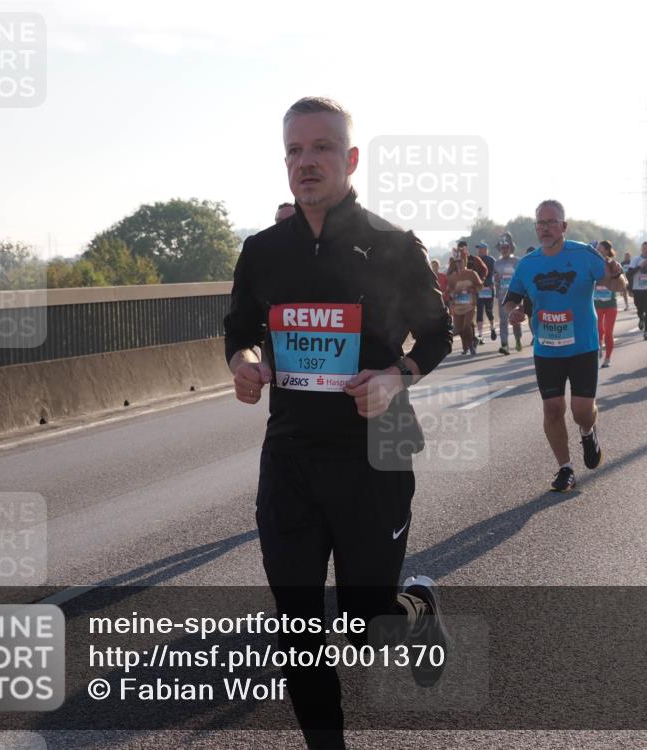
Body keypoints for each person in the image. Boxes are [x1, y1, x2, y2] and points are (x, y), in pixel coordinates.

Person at [224, 97, 452, 750]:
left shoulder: (393, 244)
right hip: (291, 455)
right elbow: (240, 330)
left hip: (375, 450)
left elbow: (437, 335)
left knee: (363, 623)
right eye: (294, 150)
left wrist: (395, 377)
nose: (305, 161)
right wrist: (243, 363)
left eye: (321, 147)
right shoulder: (263, 251)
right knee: (298, 626)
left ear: (350, 159)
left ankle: (414, 608)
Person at [502, 200, 626, 491]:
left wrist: (618, 273)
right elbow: (511, 299)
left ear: (564, 226)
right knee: (553, 410)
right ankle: (565, 468)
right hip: (546, 348)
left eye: (551, 222)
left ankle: (587, 430)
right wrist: (512, 313)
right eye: (540, 223)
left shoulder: (584, 255)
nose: (545, 228)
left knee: (581, 411)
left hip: (582, 345)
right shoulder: (528, 264)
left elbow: (618, 286)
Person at [594, 240, 626, 368]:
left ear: (607, 250)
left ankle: (607, 358)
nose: (597, 250)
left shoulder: (614, 264)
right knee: (598, 330)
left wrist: (617, 274)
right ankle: (598, 346)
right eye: (597, 248)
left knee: (608, 332)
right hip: (596, 303)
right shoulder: (593, 263)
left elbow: (623, 283)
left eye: (600, 248)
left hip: (610, 303)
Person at [446, 257, 483, 355]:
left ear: (465, 262)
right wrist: (453, 294)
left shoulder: (472, 274)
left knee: (467, 326)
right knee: (459, 329)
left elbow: (480, 286)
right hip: (458, 306)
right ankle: (466, 345)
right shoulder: (453, 276)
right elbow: (449, 291)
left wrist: (473, 289)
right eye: (457, 263)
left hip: (470, 305)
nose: (459, 265)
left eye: (461, 262)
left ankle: (471, 346)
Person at [494, 232, 522, 354]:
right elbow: (495, 280)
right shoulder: (497, 263)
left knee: (515, 320)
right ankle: (504, 345)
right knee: (503, 320)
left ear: (511, 248)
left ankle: (517, 339)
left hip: (514, 295)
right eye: (502, 248)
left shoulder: (517, 261)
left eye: (506, 247)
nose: (504, 250)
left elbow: (521, 277)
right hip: (502, 295)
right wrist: (495, 280)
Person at [474, 241, 497, 344]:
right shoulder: (475, 260)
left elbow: (496, 273)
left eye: (481, 248)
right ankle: (480, 335)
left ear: (486, 250)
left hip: (488, 288)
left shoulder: (491, 260)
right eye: (478, 248)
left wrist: (493, 283)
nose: (479, 250)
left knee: (489, 311)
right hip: (479, 289)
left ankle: (492, 327)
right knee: (479, 312)